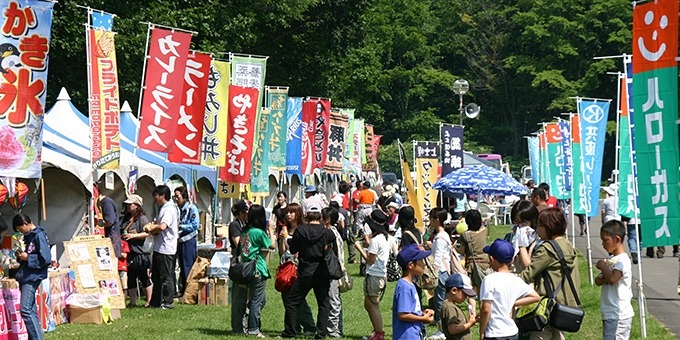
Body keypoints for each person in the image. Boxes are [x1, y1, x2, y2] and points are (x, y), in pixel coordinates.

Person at [518, 208, 580, 339]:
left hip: (547, 307)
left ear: (548, 227)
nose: (538, 229)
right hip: (564, 306)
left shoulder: (548, 249)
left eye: (540, 225)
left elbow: (528, 273)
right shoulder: (568, 245)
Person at [281, 203, 337, 339]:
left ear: (306, 215)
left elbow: (293, 249)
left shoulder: (301, 231)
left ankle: (290, 331)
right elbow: (333, 252)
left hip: (305, 270)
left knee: (292, 302)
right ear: (320, 216)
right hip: (322, 272)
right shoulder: (327, 233)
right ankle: (321, 333)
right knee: (323, 304)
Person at [479, 239, 540, 340]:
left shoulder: (489, 280)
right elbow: (535, 297)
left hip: (495, 333)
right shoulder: (516, 279)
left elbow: (486, 309)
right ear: (512, 260)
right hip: (512, 332)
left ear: (492, 259)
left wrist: (482, 331)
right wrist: (513, 303)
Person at [231, 205, 276, 337]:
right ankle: (253, 329)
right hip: (257, 269)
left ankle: (238, 328)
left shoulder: (245, 231)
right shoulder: (258, 232)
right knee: (257, 301)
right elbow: (272, 245)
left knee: (240, 300)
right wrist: (271, 230)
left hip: (244, 268)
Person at [278, 203, 316, 336]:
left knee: (296, 298)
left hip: (299, 266)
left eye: (292, 212)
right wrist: (283, 239)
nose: (289, 215)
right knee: (286, 296)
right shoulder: (284, 229)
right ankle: (295, 326)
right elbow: (282, 252)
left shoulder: (303, 229)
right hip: (286, 266)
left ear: (298, 214)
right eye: (287, 212)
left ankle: (308, 326)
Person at [13, 214, 51, 340]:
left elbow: (46, 258)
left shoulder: (39, 235)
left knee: (25, 310)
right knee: (31, 310)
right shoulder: (29, 236)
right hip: (26, 274)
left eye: (20, 229)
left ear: (25, 224)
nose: (20, 232)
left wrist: (28, 258)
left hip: (33, 276)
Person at [354, 209, 390, 340]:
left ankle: (379, 333)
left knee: (373, 305)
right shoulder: (384, 238)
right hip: (377, 275)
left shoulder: (376, 240)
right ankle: (377, 330)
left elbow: (370, 260)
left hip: (375, 275)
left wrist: (359, 248)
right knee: (368, 304)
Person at [596, 220, 634, 340]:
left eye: (605, 240)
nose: (603, 244)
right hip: (610, 312)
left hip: (618, 313)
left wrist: (602, 266)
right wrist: (603, 276)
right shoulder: (613, 260)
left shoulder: (622, 260)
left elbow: (613, 279)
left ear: (617, 239)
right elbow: (599, 280)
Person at [144, 185, 179, 309]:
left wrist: (151, 228)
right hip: (159, 247)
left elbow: (163, 226)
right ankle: (155, 302)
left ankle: (167, 301)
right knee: (156, 277)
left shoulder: (168, 209)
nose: (154, 198)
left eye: (156, 195)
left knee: (166, 276)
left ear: (162, 196)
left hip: (166, 248)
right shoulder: (163, 208)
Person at [393, 243, 435, 340]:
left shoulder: (410, 284)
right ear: (411, 265)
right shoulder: (404, 286)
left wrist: (422, 313)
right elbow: (402, 314)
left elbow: (410, 310)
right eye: (421, 261)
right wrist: (423, 319)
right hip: (406, 336)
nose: (424, 264)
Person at [121, 194, 153, 307]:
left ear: (137, 205)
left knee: (143, 277)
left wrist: (134, 236)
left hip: (140, 252)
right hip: (130, 252)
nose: (128, 206)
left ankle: (149, 300)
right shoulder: (126, 218)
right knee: (131, 278)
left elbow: (147, 232)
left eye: (131, 204)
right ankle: (133, 301)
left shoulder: (142, 219)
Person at [429, 207, 452, 340]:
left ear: (437, 220)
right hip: (445, 271)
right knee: (442, 302)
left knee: (440, 304)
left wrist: (433, 274)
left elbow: (437, 259)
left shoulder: (440, 238)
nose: (430, 221)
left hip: (440, 272)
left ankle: (442, 330)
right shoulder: (443, 236)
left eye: (431, 218)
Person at [323, 207, 345, 338]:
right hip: (337, 269)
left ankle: (333, 330)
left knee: (333, 300)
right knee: (335, 299)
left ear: (328, 219)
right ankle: (337, 328)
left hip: (333, 270)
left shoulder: (330, 233)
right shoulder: (335, 231)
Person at [174, 186, 199, 296]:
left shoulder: (191, 208)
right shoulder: (177, 209)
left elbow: (195, 225)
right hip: (180, 241)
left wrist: (180, 226)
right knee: (181, 266)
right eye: (174, 196)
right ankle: (183, 289)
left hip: (188, 241)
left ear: (184, 197)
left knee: (188, 266)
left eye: (177, 196)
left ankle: (189, 292)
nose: (175, 198)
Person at [460, 210, 489, 291]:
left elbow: (461, 251)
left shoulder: (465, 235)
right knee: (482, 289)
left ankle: (472, 304)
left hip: (472, 264)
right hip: (484, 263)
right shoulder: (484, 230)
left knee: (472, 289)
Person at [441, 273, 477, 340]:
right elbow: (452, 330)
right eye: (465, 294)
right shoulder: (449, 307)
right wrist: (469, 323)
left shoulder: (453, 305)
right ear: (454, 290)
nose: (466, 297)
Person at [509, 201, 539, 272]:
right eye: (516, 222)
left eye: (524, 222)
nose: (520, 226)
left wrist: (521, 244)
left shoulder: (539, 242)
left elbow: (529, 268)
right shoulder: (509, 238)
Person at [97, 183, 122, 258]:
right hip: (108, 238)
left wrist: (97, 224)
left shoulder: (106, 202)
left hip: (111, 238)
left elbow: (109, 221)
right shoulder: (103, 202)